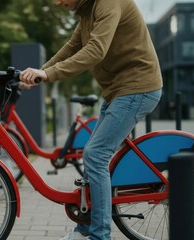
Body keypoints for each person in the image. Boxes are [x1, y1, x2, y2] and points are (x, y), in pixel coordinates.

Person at [19, 0, 163, 239]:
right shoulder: (87, 12)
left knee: (95, 154)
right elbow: (72, 47)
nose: (58, 3)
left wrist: (48, 74)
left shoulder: (108, 2)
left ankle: (100, 235)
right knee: (92, 152)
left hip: (138, 88)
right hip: (117, 91)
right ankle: (85, 229)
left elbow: (96, 50)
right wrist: (39, 73)